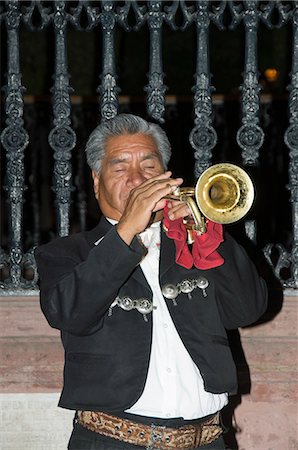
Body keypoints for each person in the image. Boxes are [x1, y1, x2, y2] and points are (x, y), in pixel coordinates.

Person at [35, 113, 268, 450]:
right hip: (110, 441)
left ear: (166, 176)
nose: (137, 179)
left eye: (148, 166)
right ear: (97, 182)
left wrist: (207, 235)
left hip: (209, 441)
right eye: (120, 167)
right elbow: (70, 314)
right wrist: (127, 229)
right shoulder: (67, 254)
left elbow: (247, 310)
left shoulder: (194, 242)